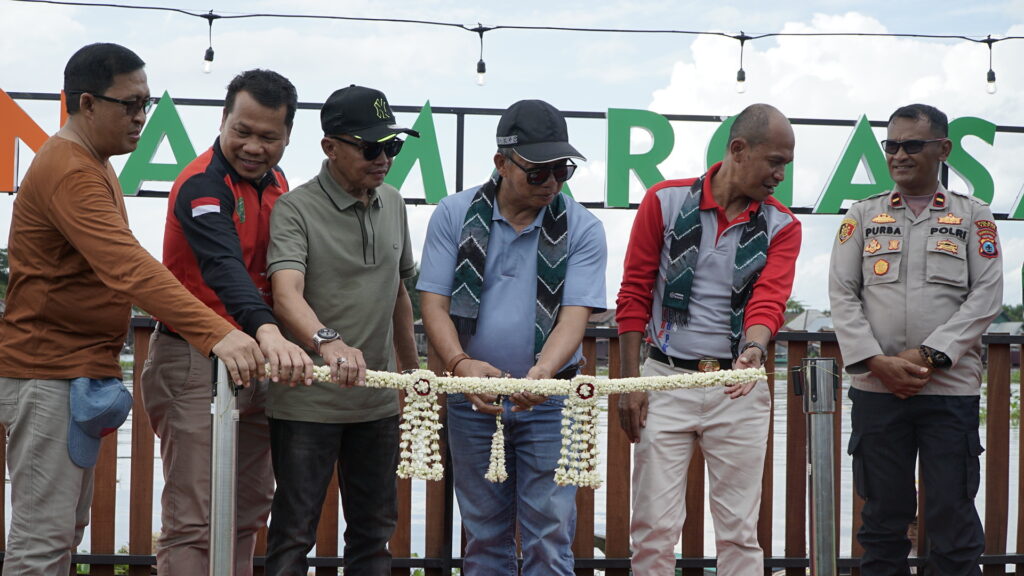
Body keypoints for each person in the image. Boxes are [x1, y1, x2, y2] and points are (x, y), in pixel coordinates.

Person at [0, 42, 264, 575]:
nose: (142, 117)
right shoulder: (72, 171)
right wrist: (220, 334)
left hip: (71, 373)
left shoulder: (88, 164)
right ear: (86, 103)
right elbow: (129, 267)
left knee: (60, 535)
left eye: (147, 103)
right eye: (131, 104)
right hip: (49, 372)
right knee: (41, 543)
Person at [418, 99, 608, 575]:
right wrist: (461, 366)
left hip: (552, 397)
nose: (552, 183)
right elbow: (433, 305)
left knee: (550, 534)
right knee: (483, 536)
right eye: (538, 172)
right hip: (472, 397)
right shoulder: (453, 214)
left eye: (562, 170)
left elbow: (573, 318)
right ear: (501, 163)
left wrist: (542, 374)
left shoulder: (584, 228)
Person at [139, 68, 313, 576]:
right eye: (243, 130)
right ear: (222, 120)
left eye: (269, 136)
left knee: (248, 507)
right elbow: (224, 268)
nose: (254, 146)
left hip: (259, 363)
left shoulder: (279, 183)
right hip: (194, 359)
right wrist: (268, 331)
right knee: (192, 517)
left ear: (287, 137)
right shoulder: (200, 184)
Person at [616, 103, 800, 575]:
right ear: (738, 150)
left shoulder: (784, 225)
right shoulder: (664, 201)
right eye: (775, 162)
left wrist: (754, 351)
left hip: (738, 383)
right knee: (653, 527)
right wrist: (631, 382)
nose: (780, 174)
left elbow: (769, 301)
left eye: (785, 164)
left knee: (740, 529)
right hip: (663, 377)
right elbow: (634, 294)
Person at [829, 103, 1000, 575]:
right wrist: (877, 362)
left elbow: (986, 297)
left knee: (952, 514)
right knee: (882, 518)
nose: (899, 155)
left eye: (912, 145)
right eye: (891, 145)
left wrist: (925, 356)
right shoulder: (862, 215)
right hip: (877, 389)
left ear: (942, 149)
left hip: (949, 390)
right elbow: (842, 296)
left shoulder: (974, 217)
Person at [264, 84, 419, 575]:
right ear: (330, 146)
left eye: (392, 145)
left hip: (376, 401)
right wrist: (329, 343)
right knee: (293, 534)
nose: (384, 158)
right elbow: (286, 292)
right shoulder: (295, 208)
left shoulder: (393, 204)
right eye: (371, 147)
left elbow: (399, 292)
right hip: (308, 400)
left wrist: (413, 375)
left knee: (375, 535)